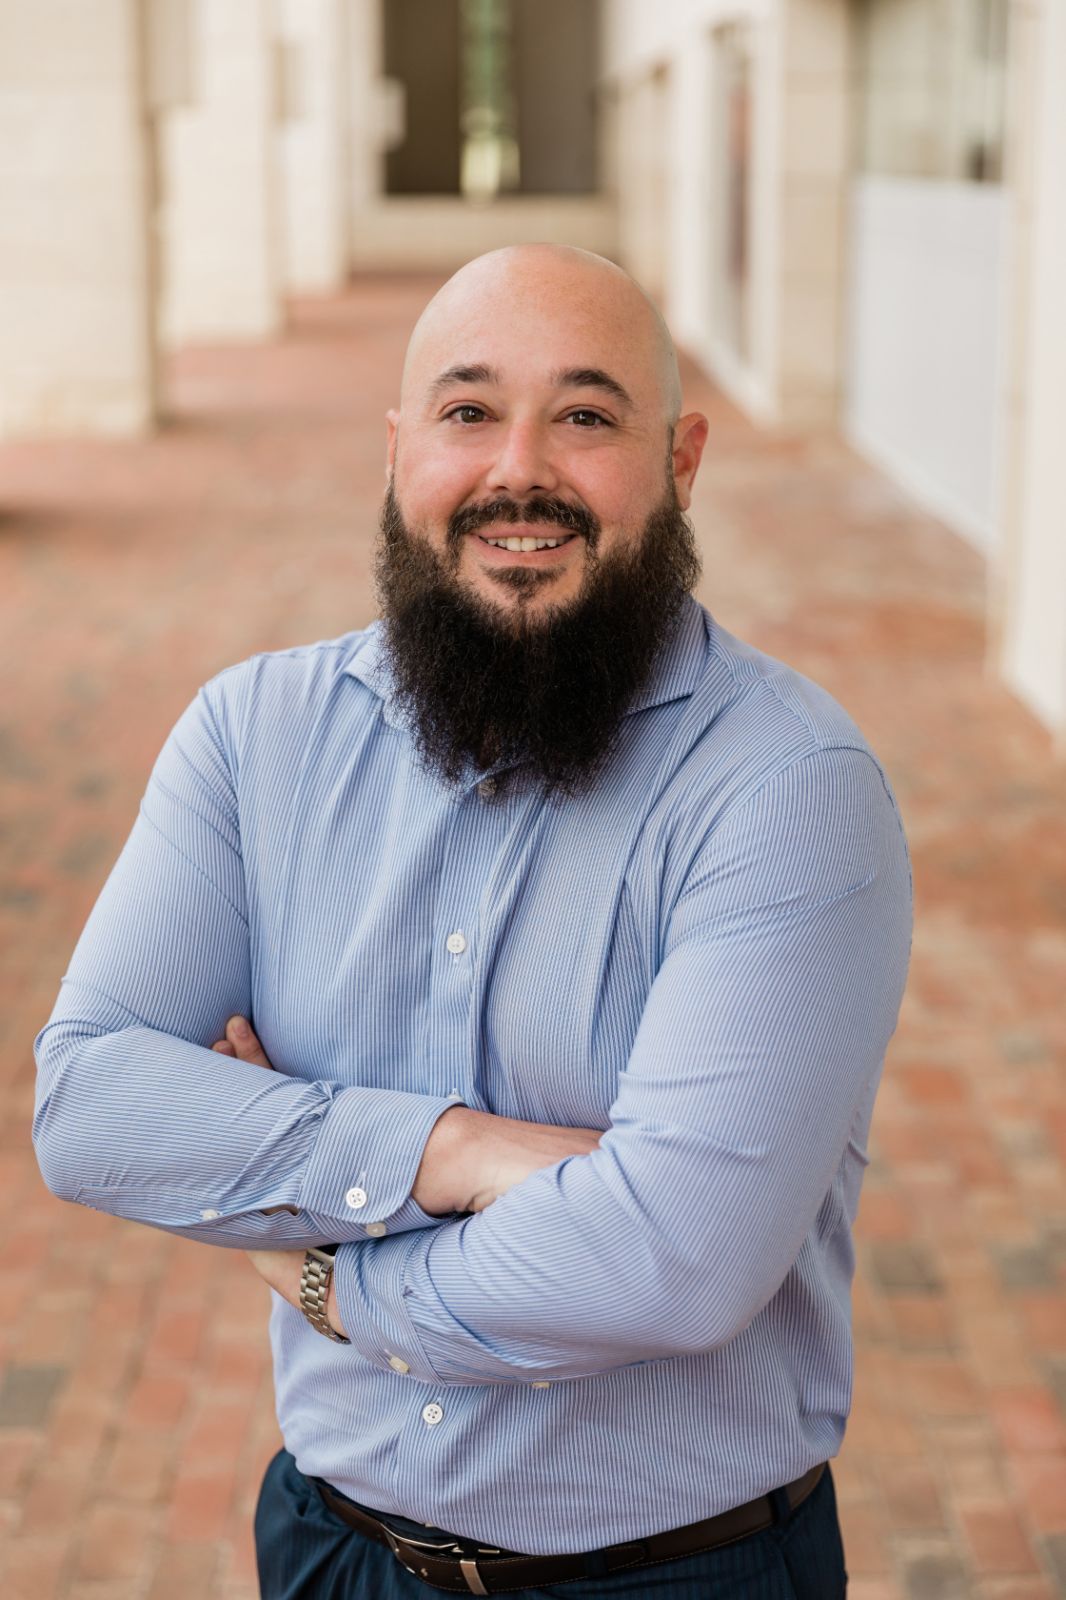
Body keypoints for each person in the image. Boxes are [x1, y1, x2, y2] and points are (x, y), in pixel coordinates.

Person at [34, 244, 912, 1598]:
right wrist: (450, 1149)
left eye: (584, 414)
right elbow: (88, 1102)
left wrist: (322, 1272)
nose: (520, 471)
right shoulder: (252, 738)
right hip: (332, 1549)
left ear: (679, 459)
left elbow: (675, 1260)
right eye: (466, 412)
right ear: (397, 452)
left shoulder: (786, 792)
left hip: (672, 1576)